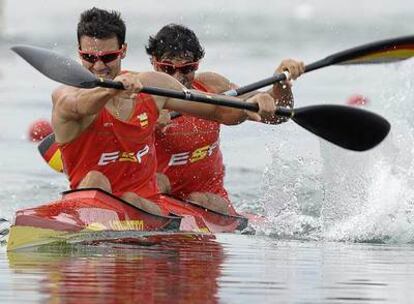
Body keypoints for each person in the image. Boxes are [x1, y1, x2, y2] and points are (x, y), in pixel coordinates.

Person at [52, 8, 299, 216]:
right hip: (99, 202)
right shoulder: (65, 95)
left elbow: (221, 111)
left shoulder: (154, 86)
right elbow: (78, 105)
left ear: (123, 51)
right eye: (89, 57)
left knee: (143, 198)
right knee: (96, 181)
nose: (98, 66)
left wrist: (258, 102)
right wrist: (110, 91)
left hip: (148, 207)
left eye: (108, 57)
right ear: (78, 52)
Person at [147, 24, 304, 215]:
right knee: (158, 183)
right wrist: (145, 118)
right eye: (168, 68)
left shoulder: (212, 86)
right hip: (156, 199)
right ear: (154, 63)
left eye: (187, 68)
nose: (178, 78)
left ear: (197, 65)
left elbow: (279, 114)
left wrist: (281, 86)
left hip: (209, 203)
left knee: (199, 199)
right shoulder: (140, 92)